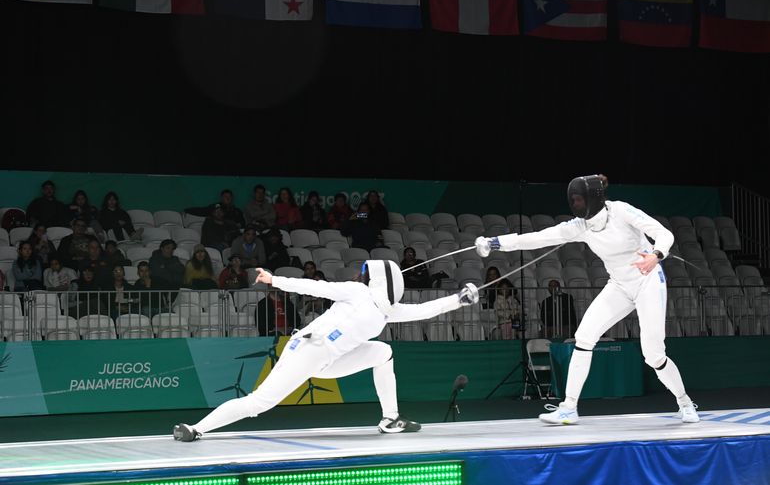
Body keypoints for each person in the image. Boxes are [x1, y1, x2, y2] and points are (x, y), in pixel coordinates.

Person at [172, 259, 480, 442]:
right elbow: (314, 287)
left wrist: (459, 299)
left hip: (330, 361)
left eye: (366, 274)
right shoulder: (355, 291)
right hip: (307, 349)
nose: (361, 277)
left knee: (383, 353)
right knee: (258, 403)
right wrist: (274, 279)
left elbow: (424, 310)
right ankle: (195, 429)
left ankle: (390, 419)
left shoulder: (389, 311)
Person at [475, 174, 699, 425]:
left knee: (654, 355)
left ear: (593, 198)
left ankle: (685, 403)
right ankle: (569, 408)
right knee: (583, 337)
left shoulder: (621, 211)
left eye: (580, 199)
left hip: (648, 280)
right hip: (619, 285)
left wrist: (655, 255)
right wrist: (494, 243)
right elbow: (538, 237)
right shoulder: (580, 227)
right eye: (574, 200)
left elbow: (664, 233)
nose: (576, 204)